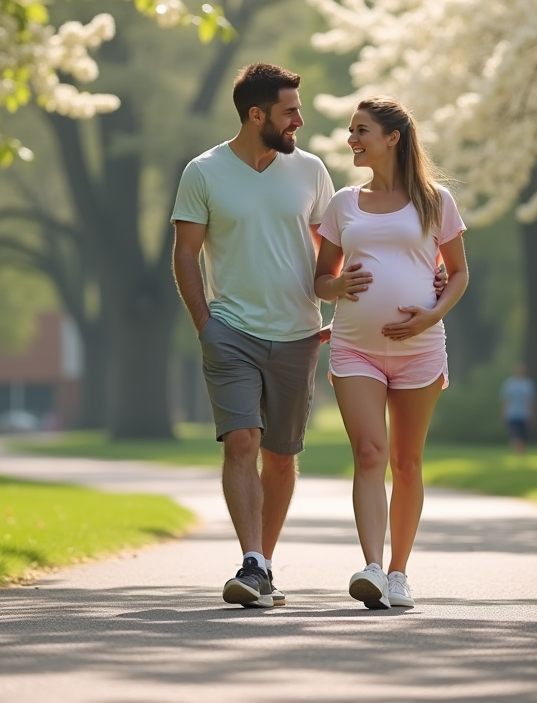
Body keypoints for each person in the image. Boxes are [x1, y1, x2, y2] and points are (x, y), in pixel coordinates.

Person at [171, 63, 332, 609]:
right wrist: (205, 325)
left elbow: (333, 249)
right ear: (256, 114)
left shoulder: (310, 172)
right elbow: (186, 255)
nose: (299, 122)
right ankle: (253, 562)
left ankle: (262, 564)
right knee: (242, 441)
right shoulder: (204, 171)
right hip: (231, 331)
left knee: (281, 456)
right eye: (290, 112)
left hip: (298, 333)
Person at [314, 97, 469, 610]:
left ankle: (400, 573)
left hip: (420, 348)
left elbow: (459, 272)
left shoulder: (435, 201)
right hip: (355, 347)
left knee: (406, 462)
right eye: (351, 130)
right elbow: (321, 279)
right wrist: (334, 289)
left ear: (392, 137)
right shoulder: (342, 203)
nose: (352, 138)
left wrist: (432, 314)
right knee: (368, 453)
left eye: (361, 130)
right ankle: (372, 568)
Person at [500, 362, 537, 455]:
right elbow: (505, 400)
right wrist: (504, 413)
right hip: (512, 414)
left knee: (524, 437)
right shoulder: (509, 384)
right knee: (515, 436)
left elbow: (531, 401)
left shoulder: (528, 384)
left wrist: (532, 415)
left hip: (524, 414)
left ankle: (522, 456)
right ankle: (516, 455)